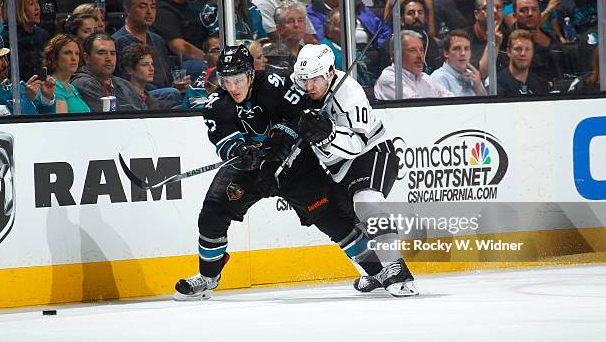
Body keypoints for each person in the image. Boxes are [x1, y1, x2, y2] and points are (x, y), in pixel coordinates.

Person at [174, 44, 400, 300]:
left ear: (250, 74)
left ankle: (379, 271)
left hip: (293, 164)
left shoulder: (272, 84)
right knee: (213, 211)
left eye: (238, 79)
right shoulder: (216, 105)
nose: (233, 87)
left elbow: (297, 116)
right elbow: (224, 141)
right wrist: (240, 151)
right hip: (249, 170)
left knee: (331, 218)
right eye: (227, 81)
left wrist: (279, 146)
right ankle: (207, 277)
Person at [290, 44, 418, 296]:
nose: (309, 86)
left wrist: (327, 134)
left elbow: (357, 144)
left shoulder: (349, 91)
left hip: (372, 154)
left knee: (366, 201)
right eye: (305, 80)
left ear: (329, 72)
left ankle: (397, 268)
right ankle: (375, 273)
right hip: (337, 169)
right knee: (340, 223)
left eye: (315, 79)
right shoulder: (298, 87)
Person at [151, 0, 207, 77]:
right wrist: (209, 58)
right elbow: (179, 47)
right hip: (177, 65)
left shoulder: (193, 5)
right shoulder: (163, 9)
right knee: (207, 67)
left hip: (198, 57)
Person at [113, 0, 173, 88]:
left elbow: (167, 77)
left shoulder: (158, 40)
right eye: (142, 6)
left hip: (166, 95)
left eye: (153, 6)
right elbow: (124, 84)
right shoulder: (118, 42)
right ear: (127, 9)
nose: (149, 12)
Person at [71, 33, 147, 111]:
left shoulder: (125, 84)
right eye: (101, 53)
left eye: (113, 53)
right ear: (86, 57)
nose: (109, 58)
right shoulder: (84, 84)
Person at [375, 30, 454, 100]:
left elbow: (452, 99)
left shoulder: (425, 78)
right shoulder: (390, 78)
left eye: (421, 50)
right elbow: (416, 107)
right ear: (396, 55)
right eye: (412, 50)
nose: (420, 56)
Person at [0, 30, 55, 115]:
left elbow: (43, 122)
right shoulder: (21, 92)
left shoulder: (18, 89)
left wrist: (46, 98)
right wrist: (27, 99)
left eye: (4, 57)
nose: (5, 63)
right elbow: (12, 118)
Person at [3, 0, 49, 81]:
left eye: (37, 2)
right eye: (31, 4)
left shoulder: (43, 35)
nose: (37, 8)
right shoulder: (8, 39)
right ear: (18, 8)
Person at [510, 0, 556, 83]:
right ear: (515, 15)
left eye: (534, 9)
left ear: (540, 13)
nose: (530, 14)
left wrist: (548, 44)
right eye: (524, 10)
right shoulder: (506, 38)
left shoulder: (549, 36)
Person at [44, 34, 90, 113]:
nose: (74, 58)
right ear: (54, 57)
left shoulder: (71, 87)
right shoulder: (52, 86)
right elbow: (62, 122)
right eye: (67, 53)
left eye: (77, 53)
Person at [430, 29, 486, 96]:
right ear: (446, 53)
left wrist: (479, 88)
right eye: (457, 48)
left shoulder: (474, 77)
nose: (463, 53)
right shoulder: (438, 78)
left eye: (466, 48)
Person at [497, 29, 550, 95]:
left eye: (527, 49)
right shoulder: (497, 83)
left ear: (533, 53)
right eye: (518, 49)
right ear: (508, 52)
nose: (523, 53)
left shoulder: (542, 85)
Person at [400, 0, 441, 74]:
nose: (416, 16)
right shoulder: (395, 43)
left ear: (425, 18)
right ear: (401, 20)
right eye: (411, 13)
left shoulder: (431, 42)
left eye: (420, 12)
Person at [118, 43, 166, 110]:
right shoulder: (124, 99)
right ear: (130, 70)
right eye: (145, 64)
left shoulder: (152, 101)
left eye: (151, 64)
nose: (152, 68)